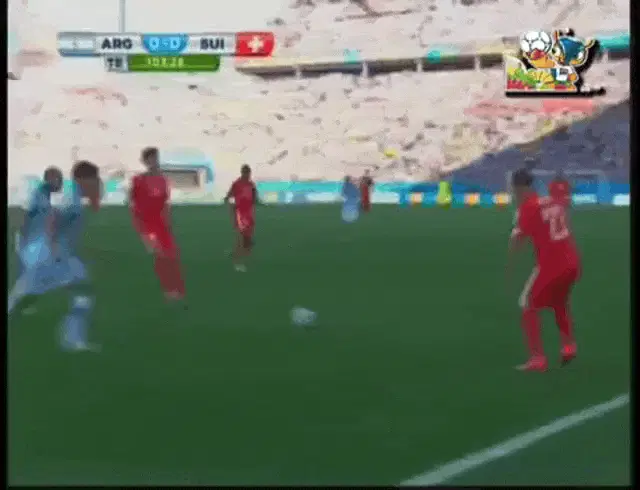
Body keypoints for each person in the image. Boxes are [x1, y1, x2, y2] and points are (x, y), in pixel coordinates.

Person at [8, 161, 103, 351]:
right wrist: (53, 248)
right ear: (82, 180)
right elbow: (53, 219)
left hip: (56, 254)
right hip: (52, 256)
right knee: (80, 291)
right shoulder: (71, 199)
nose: (96, 183)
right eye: (93, 179)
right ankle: (72, 339)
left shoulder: (74, 197)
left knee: (79, 290)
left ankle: (72, 339)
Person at [508, 168, 580, 372]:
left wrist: (515, 235)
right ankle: (568, 346)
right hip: (572, 262)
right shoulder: (551, 201)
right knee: (559, 303)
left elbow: (517, 242)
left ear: (518, 188)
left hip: (551, 265)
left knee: (527, 304)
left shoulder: (527, 208)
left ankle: (537, 358)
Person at [130, 147, 186, 303]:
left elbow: (165, 203)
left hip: (162, 225)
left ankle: (177, 289)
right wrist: (142, 232)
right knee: (161, 256)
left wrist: (168, 221)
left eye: (156, 158)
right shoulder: (139, 180)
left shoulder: (163, 180)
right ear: (145, 161)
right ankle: (169, 290)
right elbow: (134, 206)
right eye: (151, 159)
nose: (155, 161)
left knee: (173, 254)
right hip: (148, 225)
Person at [224, 164, 258, 272]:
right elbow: (228, 196)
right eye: (246, 173)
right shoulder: (237, 184)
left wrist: (255, 201)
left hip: (249, 214)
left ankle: (238, 253)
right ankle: (238, 263)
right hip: (240, 214)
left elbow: (254, 198)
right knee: (241, 239)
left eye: (249, 173)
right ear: (242, 173)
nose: (247, 175)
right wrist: (232, 207)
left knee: (247, 239)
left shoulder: (251, 184)